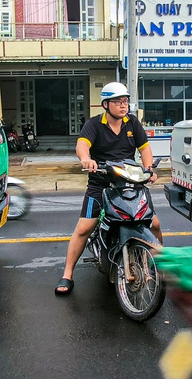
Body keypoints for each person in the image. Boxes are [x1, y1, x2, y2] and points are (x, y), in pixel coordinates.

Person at [55, 82, 162, 297]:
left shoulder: (132, 123)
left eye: (125, 102)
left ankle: (158, 263)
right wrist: (86, 159)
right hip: (100, 183)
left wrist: (149, 169)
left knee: (154, 223)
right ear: (106, 104)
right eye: (118, 102)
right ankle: (67, 274)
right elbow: (82, 145)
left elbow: (145, 148)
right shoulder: (94, 124)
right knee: (84, 228)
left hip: (129, 181)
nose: (123, 106)